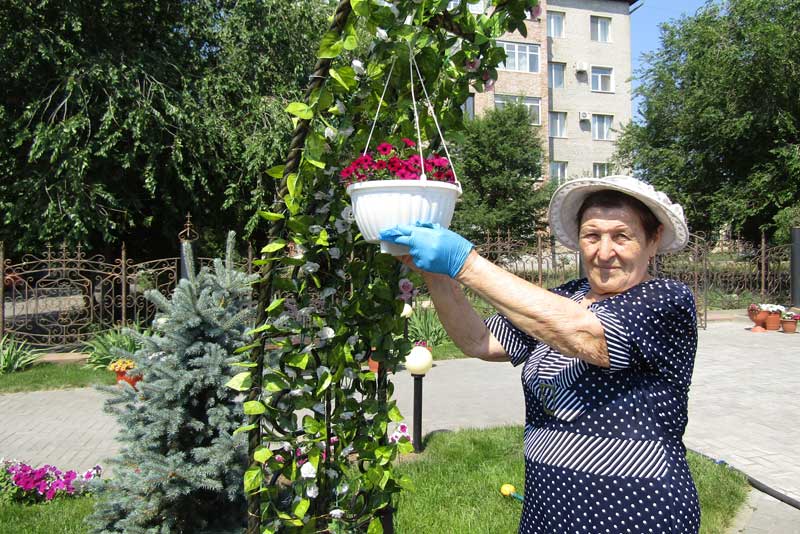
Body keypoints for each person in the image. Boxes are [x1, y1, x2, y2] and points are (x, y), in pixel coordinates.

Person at [380, 175, 699, 533]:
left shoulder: (666, 299)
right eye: (592, 235)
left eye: (622, 236)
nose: (604, 251)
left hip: (632, 512)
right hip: (549, 508)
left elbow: (586, 336)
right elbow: (478, 340)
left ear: (653, 240)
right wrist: (435, 273)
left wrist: (466, 264)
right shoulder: (566, 297)